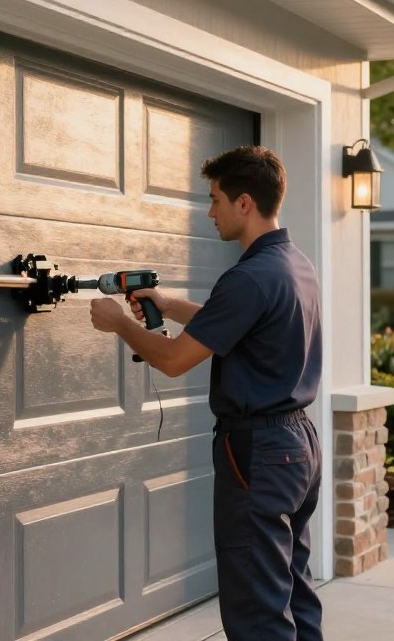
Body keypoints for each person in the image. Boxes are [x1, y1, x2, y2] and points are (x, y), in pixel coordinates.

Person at [88, 145, 323, 641]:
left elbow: (174, 361)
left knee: (257, 608)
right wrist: (169, 304)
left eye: (215, 199)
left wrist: (118, 325)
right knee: (291, 589)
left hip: (258, 451)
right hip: (298, 446)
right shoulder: (293, 264)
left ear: (244, 203)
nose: (209, 211)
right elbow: (237, 328)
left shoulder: (249, 278)